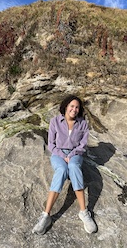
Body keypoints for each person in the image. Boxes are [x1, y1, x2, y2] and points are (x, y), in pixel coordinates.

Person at [32, 95, 97, 234]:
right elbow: (51, 145)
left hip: (75, 154)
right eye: (72, 106)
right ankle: (46, 215)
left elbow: (83, 145)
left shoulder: (83, 124)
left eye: (77, 107)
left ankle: (84, 212)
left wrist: (71, 155)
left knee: (73, 167)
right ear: (66, 106)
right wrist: (63, 156)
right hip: (58, 154)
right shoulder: (55, 121)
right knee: (61, 170)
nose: (74, 109)